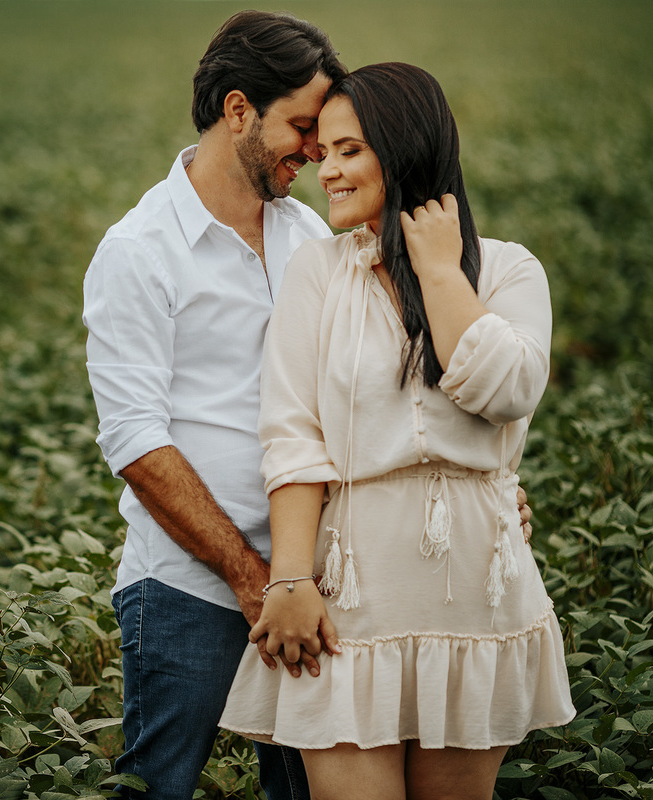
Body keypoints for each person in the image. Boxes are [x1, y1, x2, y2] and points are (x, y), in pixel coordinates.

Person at [217, 63, 576, 800]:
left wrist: (440, 271)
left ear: (404, 148)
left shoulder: (508, 271)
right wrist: (290, 578)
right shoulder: (318, 274)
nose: (330, 172)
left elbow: (506, 390)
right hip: (351, 600)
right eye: (326, 154)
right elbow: (292, 437)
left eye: (351, 151)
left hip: (477, 597)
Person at [82, 11, 345, 800]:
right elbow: (135, 441)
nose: (315, 149)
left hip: (312, 584)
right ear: (239, 112)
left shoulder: (311, 238)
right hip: (184, 589)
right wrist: (246, 572)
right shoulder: (139, 250)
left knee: (305, 792)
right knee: (157, 786)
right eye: (301, 126)